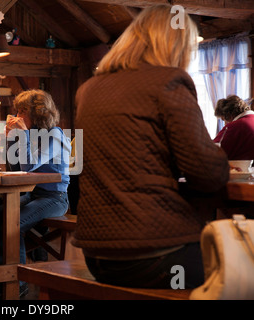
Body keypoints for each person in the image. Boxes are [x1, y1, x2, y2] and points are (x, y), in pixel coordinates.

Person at [73, 5, 229, 289]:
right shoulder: (167, 82)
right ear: (175, 46)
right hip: (156, 254)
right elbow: (208, 173)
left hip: (98, 257)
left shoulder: (89, 90)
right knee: (244, 267)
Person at [0, 89, 70, 298]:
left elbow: (29, 165)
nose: (18, 116)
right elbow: (14, 168)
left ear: (38, 113)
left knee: (13, 224)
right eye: (17, 111)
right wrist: (11, 136)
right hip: (34, 195)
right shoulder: (32, 134)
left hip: (54, 198)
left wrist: (23, 134)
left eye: (23, 111)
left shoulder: (54, 134)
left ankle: (17, 285)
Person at [213, 95, 254, 160]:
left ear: (229, 115)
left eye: (224, 120)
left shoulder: (236, 126)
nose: (225, 123)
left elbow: (212, 151)